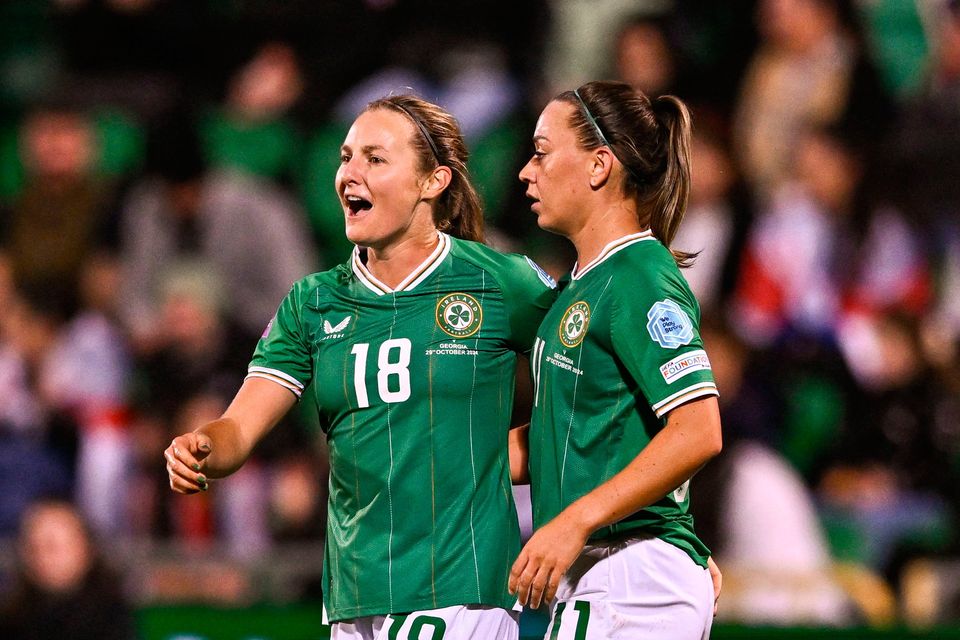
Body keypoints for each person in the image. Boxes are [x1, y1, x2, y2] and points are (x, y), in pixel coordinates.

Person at [164, 94, 556, 640]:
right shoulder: (312, 302)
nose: (349, 173)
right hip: (353, 596)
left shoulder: (498, 281)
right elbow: (238, 429)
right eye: (346, 157)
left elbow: (595, 375)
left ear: (433, 181)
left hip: (461, 590)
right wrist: (202, 446)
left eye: (375, 159)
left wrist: (527, 451)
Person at [508, 80, 722, 639]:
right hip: (603, 574)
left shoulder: (639, 277)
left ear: (599, 165)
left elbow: (698, 430)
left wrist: (577, 521)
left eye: (542, 151)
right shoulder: (581, 286)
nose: (527, 172)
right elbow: (571, 435)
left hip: (633, 576)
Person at [0, 498, 136, 640]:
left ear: (84, 548)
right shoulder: (11, 617)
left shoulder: (110, 616)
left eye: (51, 546)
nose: (41, 556)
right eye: (33, 546)